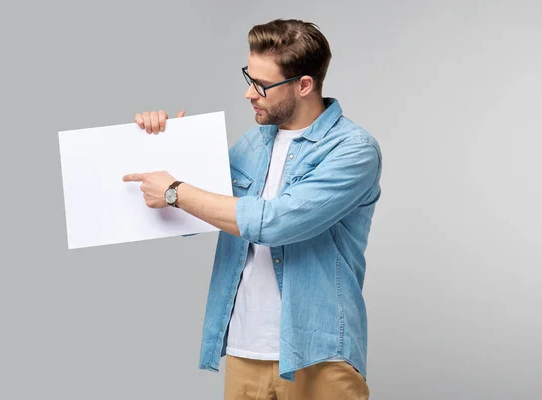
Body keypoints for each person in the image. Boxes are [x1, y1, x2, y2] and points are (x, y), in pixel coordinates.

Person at [122, 18, 382, 400]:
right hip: (244, 353)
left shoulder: (353, 150)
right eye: (249, 77)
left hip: (317, 354)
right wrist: (166, 147)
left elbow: (275, 222)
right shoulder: (252, 144)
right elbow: (191, 214)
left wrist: (177, 190)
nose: (248, 93)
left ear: (304, 85)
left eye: (261, 85)